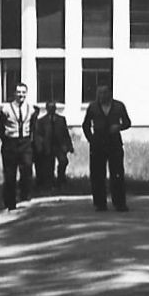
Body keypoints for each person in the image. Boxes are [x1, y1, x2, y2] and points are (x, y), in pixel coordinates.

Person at [82, 84, 133, 212]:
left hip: (114, 143)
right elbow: (85, 125)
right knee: (97, 174)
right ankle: (100, 203)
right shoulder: (93, 107)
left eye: (104, 93)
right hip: (98, 143)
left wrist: (119, 127)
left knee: (117, 173)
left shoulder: (119, 106)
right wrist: (91, 139)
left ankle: (119, 203)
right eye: (99, 93)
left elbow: (127, 122)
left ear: (110, 93)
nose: (102, 96)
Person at [0, 81, 38, 210]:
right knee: (10, 174)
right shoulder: (6, 109)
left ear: (26, 93)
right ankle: (10, 202)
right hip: (10, 143)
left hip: (25, 143)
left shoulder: (31, 109)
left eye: (23, 92)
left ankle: (24, 195)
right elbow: (0, 128)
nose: (21, 95)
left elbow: (34, 127)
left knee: (27, 168)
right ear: (14, 93)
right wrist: (6, 140)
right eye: (18, 92)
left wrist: (31, 141)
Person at [32, 100, 74, 193]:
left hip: (59, 146)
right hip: (47, 146)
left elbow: (66, 133)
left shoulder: (61, 119)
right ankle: (50, 183)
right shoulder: (41, 121)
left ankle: (61, 179)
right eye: (49, 107)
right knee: (49, 166)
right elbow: (39, 135)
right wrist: (40, 146)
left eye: (53, 107)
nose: (52, 109)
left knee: (63, 162)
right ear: (46, 108)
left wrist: (69, 145)